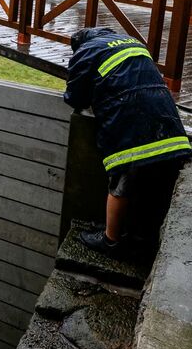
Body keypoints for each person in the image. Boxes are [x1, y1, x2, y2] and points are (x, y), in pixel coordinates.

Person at [64, 27, 191, 257]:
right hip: (170, 127)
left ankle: (111, 240)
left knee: (121, 182)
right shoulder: (132, 42)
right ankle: (136, 233)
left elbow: (75, 97)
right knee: (152, 185)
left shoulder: (86, 51)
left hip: (133, 128)